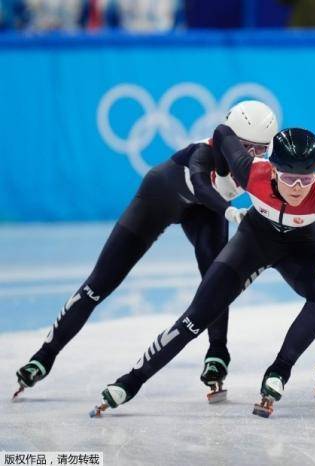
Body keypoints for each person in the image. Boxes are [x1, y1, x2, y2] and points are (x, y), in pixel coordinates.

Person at [91, 126, 315, 418]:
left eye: (306, 178)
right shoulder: (251, 171)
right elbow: (222, 132)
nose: (298, 187)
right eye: (290, 177)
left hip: (301, 249)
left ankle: (279, 370)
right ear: (273, 169)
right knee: (196, 317)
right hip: (253, 242)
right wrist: (221, 196)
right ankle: (131, 381)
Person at [14, 101, 278, 400]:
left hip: (205, 212)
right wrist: (230, 211)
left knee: (216, 279)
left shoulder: (258, 167)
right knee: (99, 284)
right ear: (229, 139)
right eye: (246, 147)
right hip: (160, 198)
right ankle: (44, 356)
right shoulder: (202, 153)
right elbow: (203, 187)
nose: (252, 157)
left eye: (261, 149)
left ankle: (218, 353)